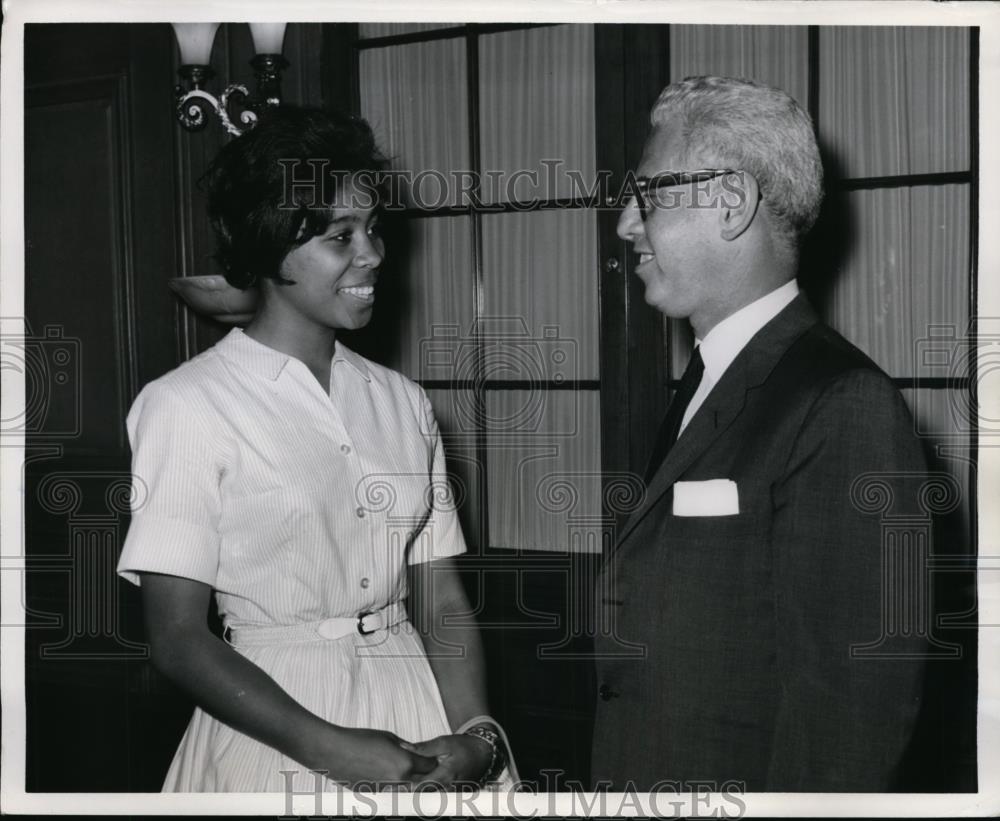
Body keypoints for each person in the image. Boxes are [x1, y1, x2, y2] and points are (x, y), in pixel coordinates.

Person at [117, 106, 511, 792]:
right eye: (341, 236)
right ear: (272, 247)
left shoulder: (402, 401)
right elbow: (178, 638)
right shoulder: (185, 405)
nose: (373, 254)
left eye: (374, 229)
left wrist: (478, 735)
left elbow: (441, 600)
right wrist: (328, 747)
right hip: (273, 728)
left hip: (418, 709)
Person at [591, 76, 930, 792]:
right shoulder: (712, 377)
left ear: (732, 202)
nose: (626, 223)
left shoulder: (842, 403)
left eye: (648, 194)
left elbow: (849, 724)